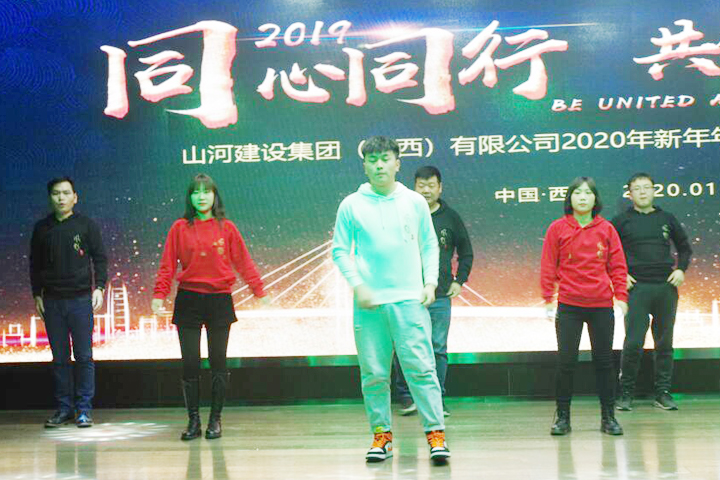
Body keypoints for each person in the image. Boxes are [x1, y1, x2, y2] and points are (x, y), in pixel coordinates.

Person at [332, 136, 450, 464]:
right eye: (372, 160)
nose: (379, 165)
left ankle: (436, 434)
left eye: (385, 159)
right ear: (364, 166)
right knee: (373, 374)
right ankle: (381, 436)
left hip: (409, 301)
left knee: (422, 369)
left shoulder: (414, 201)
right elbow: (340, 250)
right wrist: (358, 285)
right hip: (369, 305)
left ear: (397, 163)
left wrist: (430, 282)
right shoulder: (351, 205)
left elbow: (429, 243)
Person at [152, 174, 268, 441]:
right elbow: (167, 264)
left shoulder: (227, 228)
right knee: (190, 363)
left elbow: (243, 262)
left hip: (219, 300)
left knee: (218, 362)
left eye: (207, 191)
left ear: (215, 196)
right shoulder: (179, 228)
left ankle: (215, 420)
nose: (201, 196)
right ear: (190, 198)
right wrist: (159, 294)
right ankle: (193, 420)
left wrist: (259, 290)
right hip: (188, 300)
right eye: (196, 192)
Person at [540, 177, 628, 436]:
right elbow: (548, 265)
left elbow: (618, 266)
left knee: (604, 363)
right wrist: (548, 298)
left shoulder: (606, 229)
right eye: (577, 192)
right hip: (569, 305)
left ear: (595, 199)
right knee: (566, 363)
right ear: (570, 198)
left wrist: (621, 296)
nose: (582, 197)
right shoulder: (557, 228)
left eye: (588, 193)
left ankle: (608, 417)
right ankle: (563, 418)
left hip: (601, 305)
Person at [395, 166, 473, 417]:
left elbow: (466, 252)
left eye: (431, 185)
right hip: (407, 294)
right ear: (414, 188)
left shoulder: (451, 217)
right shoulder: (403, 214)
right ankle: (406, 397)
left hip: (439, 295)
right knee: (404, 346)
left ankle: (436, 397)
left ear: (440, 188)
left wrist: (459, 280)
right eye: (421, 185)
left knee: (437, 347)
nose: (426, 190)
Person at [30, 177, 107, 428]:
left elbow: (100, 258)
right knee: (60, 358)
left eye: (65, 193)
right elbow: (34, 264)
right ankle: (64, 409)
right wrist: (37, 294)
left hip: (80, 299)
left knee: (84, 356)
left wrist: (99, 287)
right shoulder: (42, 228)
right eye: (56, 193)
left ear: (75, 197)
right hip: (52, 301)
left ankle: (84, 409)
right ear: (50, 198)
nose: (61, 197)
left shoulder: (86, 225)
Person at [612, 173, 692, 411]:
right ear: (630, 194)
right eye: (637, 188)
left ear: (654, 191)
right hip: (636, 288)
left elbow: (685, 248)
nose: (642, 192)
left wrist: (681, 270)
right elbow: (606, 252)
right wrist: (620, 276)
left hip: (665, 287)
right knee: (633, 343)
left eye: (646, 187)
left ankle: (663, 393)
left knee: (664, 343)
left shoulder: (667, 218)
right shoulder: (620, 221)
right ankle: (626, 393)